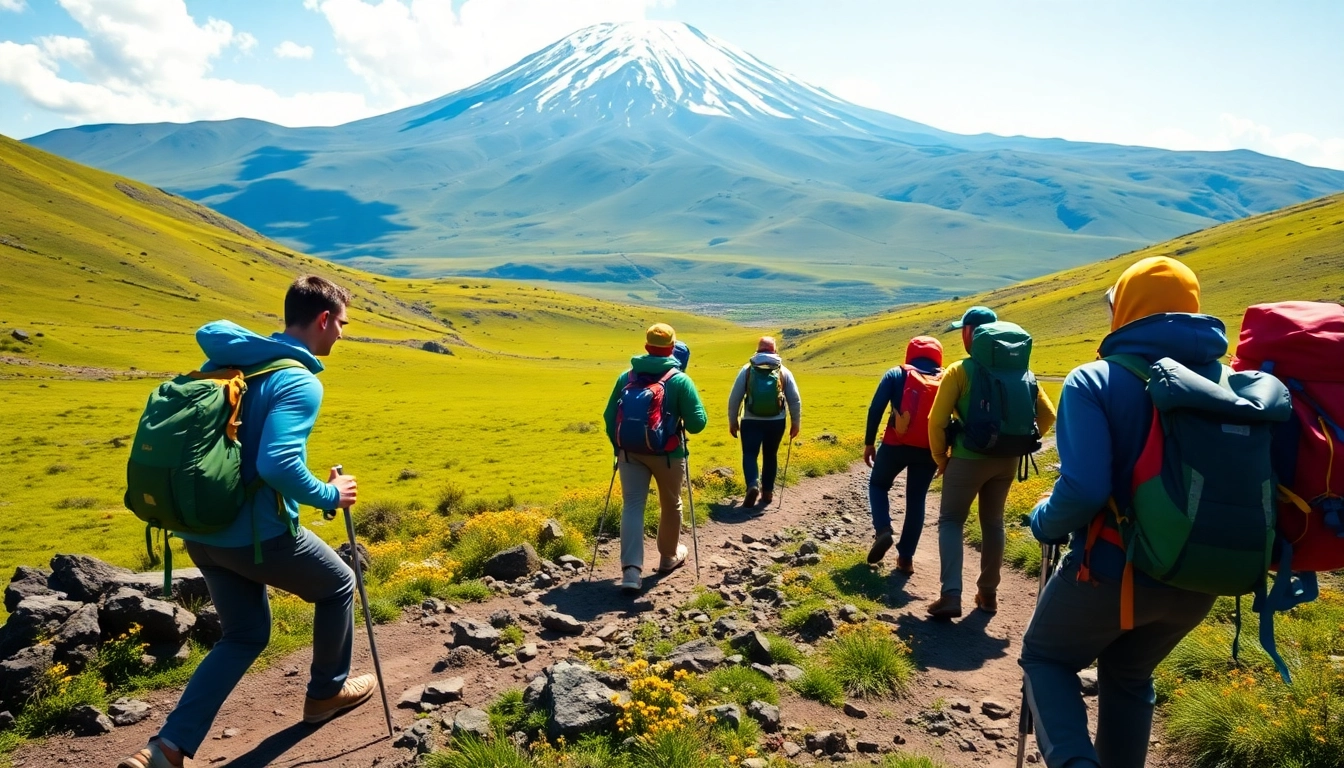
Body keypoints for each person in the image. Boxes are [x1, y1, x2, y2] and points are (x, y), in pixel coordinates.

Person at [119, 276, 371, 768]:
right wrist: (329, 494)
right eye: (341, 324)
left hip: (199, 532)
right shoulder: (299, 379)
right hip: (256, 538)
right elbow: (277, 463)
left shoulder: (230, 365)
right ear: (323, 320)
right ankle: (325, 695)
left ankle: (165, 750)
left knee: (245, 633)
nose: (341, 334)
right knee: (339, 584)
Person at [1020, 257, 1224, 768]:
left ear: (1128, 308)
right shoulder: (1233, 381)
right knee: (1130, 676)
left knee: (1046, 657)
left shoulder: (1096, 379)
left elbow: (1085, 488)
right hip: (1202, 576)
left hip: (1111, 571)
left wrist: (1043, 520)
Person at [926, 306, 1056, 618]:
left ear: (971, 333)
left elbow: (936, 420)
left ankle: (950, 594)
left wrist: (940, 457)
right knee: (993, 523)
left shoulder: (960, 371)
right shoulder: (1023, 372)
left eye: (964, 329)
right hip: (1008, 460)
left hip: (968, 459)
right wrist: (1019, 442)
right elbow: (1048, 415)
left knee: (951, 521)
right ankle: (988, 594)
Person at [603, 323, 708, 593]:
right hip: (668, 455)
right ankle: (667, 558)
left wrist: (620, 447)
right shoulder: (680, 379)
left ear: (647, 346)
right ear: (672, 348)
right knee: (671, 503)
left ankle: (631, 571)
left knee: (632, 505)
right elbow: (697, 424)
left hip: (629, 453)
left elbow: (608, 417)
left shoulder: (626, 377)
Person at [863, 336, 944, 572]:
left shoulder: (896, 374)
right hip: (929, 449)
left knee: (878, 485)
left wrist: (870, 443)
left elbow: (876, 408)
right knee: (916, 500)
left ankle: (883, 530)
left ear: (910, 353)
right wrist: (945, 453)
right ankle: (906, 559)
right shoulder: (946, 377)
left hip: (894, 445)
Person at [727, 336, 802, 513]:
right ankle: (767, 493)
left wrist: (733, 421)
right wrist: (795, 423)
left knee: (750, 454)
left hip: (750, 421)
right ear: (775, 351)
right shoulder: (783, 371)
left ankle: (752, 484)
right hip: (776, 422)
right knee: (770, 455)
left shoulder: (747, 370)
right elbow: (794, 400)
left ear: (758, 350)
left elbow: (734, 398)